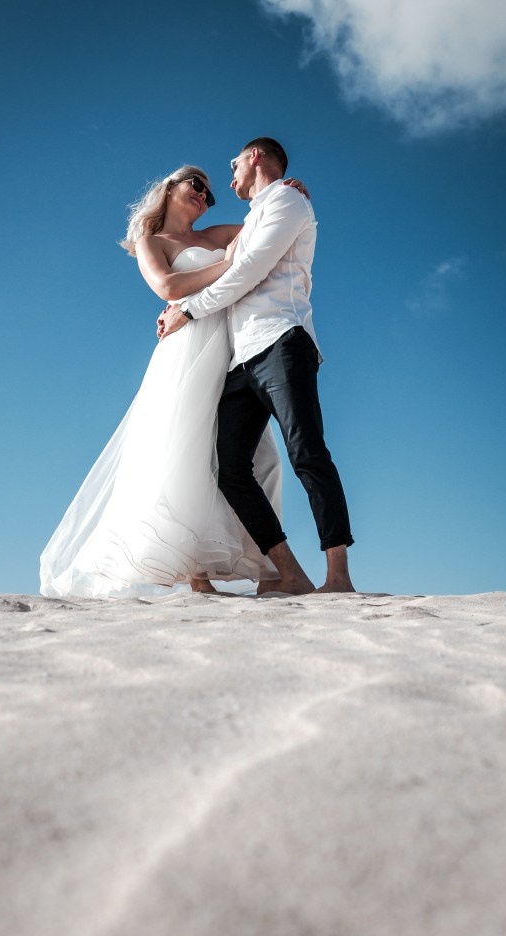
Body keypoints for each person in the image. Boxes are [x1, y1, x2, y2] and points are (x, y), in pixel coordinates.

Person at [39, 165, 310, 599]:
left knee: (261, 460)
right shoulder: (152, 242)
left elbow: (264, 231)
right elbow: (167, 285)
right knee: (186, 452)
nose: (205, 195)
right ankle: (197, 575)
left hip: (231, 348)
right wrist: (225, 266)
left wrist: (284, 191)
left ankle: (265, 566)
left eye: (210, 193)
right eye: (196, 185)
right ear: (169, 188)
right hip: (187, 348)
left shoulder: (217, 233)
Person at [157, 138, 355, 595]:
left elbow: (249, 270)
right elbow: (221, 267)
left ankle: (338, 576)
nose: (226, 183)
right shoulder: (253, 217)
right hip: (242, 358)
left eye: (233, 167)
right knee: (231, 468)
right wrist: (178, 304)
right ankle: (286, 571)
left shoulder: (287, 200)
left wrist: (189, 310)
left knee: (307, 452)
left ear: (255, 158)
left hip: (283, 339)